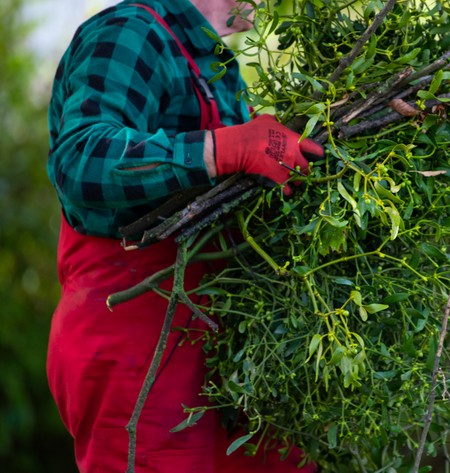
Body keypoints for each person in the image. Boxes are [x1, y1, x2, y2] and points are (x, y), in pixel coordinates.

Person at [45, 0, 322, 471]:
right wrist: (220, 149)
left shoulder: (212, 64)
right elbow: (81, 158)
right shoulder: (131, 31)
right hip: (138, 343)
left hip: (219, 351)